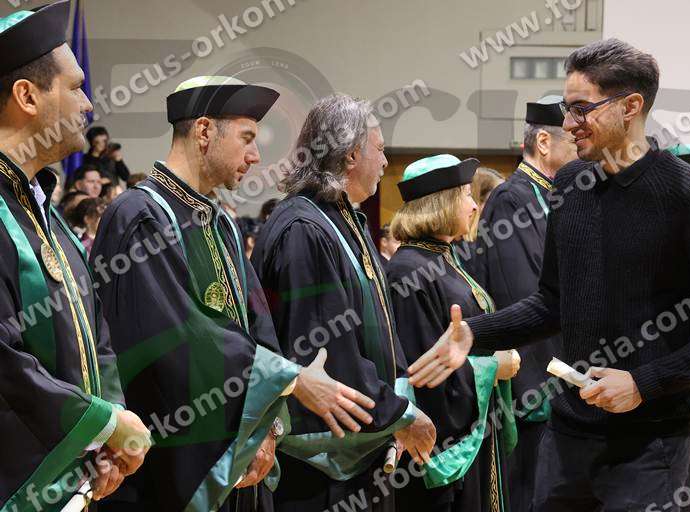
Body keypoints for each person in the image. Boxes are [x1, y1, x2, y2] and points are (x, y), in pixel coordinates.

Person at [409, 39, 690, 512]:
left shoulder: (687, 195)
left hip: (650, 447)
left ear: (630, 106)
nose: (567, 124)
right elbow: (553, 302)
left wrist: (644, 382)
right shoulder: (570, 185)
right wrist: (475, 333)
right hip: (567, 439)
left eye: (581, 109)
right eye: (567, 108)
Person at [92, 77, 376, 512]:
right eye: (247, 138)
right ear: (204, 131)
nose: (255, 155)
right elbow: (177, 339)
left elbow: (260, 328)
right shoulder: (140, 215)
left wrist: (268, 427)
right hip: (170, 464)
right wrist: (291, 379)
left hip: (240, 457)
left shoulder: (220, 222)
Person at [252, 93, 436, 512]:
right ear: (352, 154)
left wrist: (399, 400)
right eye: (380, 149)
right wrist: (399, 413)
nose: (385, 161)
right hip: (320, 463)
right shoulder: (304, 228)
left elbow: (382, 329)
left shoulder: (343, 218)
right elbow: (325, 352)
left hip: (363, 446)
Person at [0, 2, 151, 509]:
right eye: (76, 87)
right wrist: (105, 424)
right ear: (27, 96)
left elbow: (96, 335)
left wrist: (105, 437)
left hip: (75, 481)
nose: (88, 104)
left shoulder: (47, 212)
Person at [387, 154, 520, 511]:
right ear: (441, 202)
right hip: (442, 449)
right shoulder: (408, 271)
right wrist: (493, 368)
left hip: (476, 433)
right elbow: (420, 373)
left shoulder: (444, 258)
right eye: (465, 194)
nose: (474, 205)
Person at [468, 96, 576, 512]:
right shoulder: (511, 199)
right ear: (544, 142)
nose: (581, 148)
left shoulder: (552, 194)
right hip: (535, 384)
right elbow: (523, 296)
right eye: (572, 140)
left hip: (560, 375)